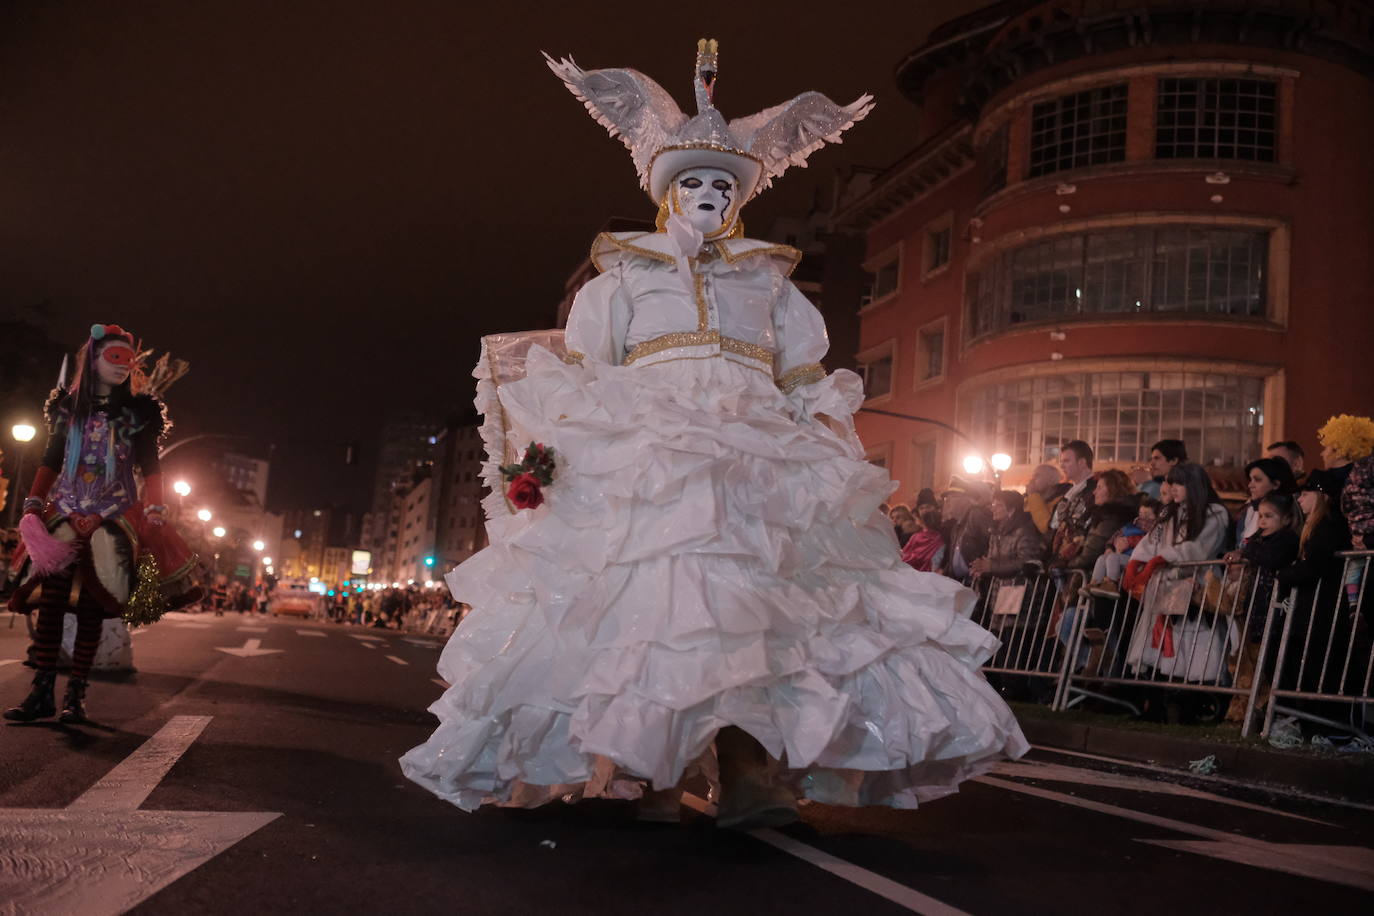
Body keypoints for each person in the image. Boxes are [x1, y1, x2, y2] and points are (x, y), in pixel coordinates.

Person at [400, 41, 1027, 828]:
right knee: (662, 611)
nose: (706, 194)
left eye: (720, 185)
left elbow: (801, 372)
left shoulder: (765, 278)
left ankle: (751, 774)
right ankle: (656, 772)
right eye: (692, 182)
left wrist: (825, 438)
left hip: (756, 456)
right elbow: (591, 370)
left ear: (737, 199)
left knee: (763, 616)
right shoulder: (624, 275)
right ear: (668, 194)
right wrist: (561, 454)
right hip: (656, 455)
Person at [4, 324, 197, 723]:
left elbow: (150, 467)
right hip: (66, 509)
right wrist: (35, 502)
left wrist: (156, 507)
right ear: (92, 360)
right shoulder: (67, 409)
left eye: (129, 360)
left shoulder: (140, 413)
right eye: (115, 357)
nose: (124, 366)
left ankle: (75, 695)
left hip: (114, 513)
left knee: (92, 605)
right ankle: (42, 690)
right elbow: (50, 458)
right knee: (53, 603)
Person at [1122, 462, 1232, 677]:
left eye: (1179, 483)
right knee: (1167, 640)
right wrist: (1136, 563)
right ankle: (1164, 690)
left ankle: (1194, 689)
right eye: (1171, 483)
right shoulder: (1170, 513)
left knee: (1194, 640)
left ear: (1194, 485)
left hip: (1197, 586)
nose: (1173, 488)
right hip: (1168, 586)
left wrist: (1161, 559)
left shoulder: (1214, 513)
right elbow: (1151, 541)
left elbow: (1197, 548)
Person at [971, 490, 1045, 579]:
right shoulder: (995, 532)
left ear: (1011, 510)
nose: (992, 509)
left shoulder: (1024, 531)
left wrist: (992, 566)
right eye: (993, 505)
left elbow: (1027, 562)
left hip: (1018, 587)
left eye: (998, 506)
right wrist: (981, 568)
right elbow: (992, 561)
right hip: (998, 587)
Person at [1234, 457, 1298, 547]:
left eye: (1257, 480)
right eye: (1250, 480)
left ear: (1275, 484)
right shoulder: (1248, 509)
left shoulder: (1285, 511)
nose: (1250, 485)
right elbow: (1240, 543)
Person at [938, 478, 993, 580]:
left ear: (966, 499)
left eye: (952, 497)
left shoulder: (976, 515)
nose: (948, 502)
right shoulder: (957, 526)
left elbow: (993, 543)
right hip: (962, 583)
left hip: (977, 582)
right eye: (946, 499)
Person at [1024, 464, 1067, 537]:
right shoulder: (1027, 500)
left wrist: (1033, 494)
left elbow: (1045, 528)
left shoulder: (1062, 502)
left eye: (1037, 476)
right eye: (1032, 476)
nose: (1032, 480)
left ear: (1051, 480)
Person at [900, 507, 945, 573]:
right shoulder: (940, 538)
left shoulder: (916, 537)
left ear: (921, 521)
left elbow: (904, 554)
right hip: (930, 574)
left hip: (913, 573)